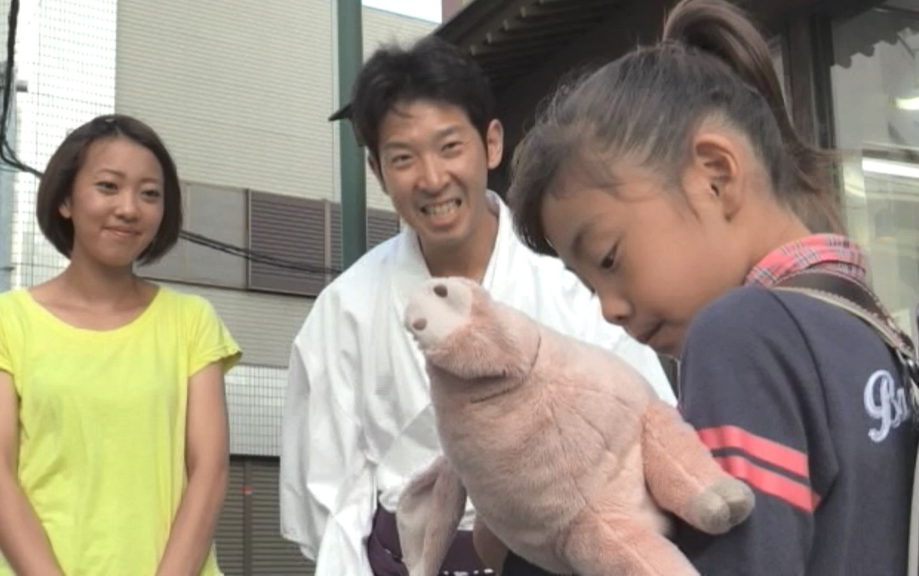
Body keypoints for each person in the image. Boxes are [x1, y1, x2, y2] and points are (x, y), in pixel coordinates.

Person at [497, 0, 917, 576]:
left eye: (609, 258)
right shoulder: (867, 328)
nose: (608, 310)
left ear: (715, 175)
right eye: (588, 286)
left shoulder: (742, 334)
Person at [279, 36, 675, 576]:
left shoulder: (570, 283)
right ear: (377, 170)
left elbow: (649, 430)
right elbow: (324, 499)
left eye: (449, 147)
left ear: (490, 143)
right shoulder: (344, 311)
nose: (432, 178)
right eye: (403, 158)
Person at [0, 115, 241, 575]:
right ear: (65, 199)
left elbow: (209, 472)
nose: (129, 208)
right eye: (108, 187)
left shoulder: (192, 322)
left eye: (149, 194)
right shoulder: (2, 322)